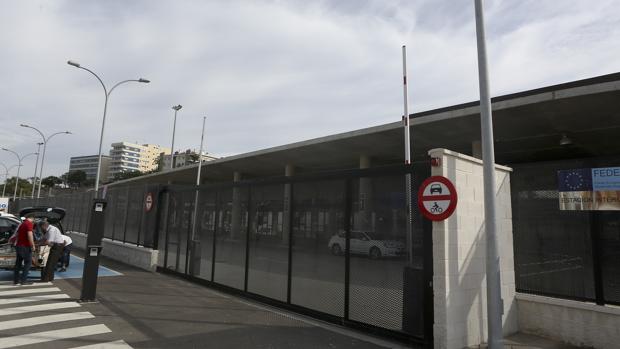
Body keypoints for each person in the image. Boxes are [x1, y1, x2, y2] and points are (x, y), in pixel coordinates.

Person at [14, 213, 36, 285]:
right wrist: (32, 245)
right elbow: (30, 235)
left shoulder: (22, 224)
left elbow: (17, 235)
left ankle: (16, 280)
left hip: (19, 246)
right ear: (32, 218)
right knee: (28, 263)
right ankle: (23, 280)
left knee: (18, 264)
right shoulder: (29, 224)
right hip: (25, 246)